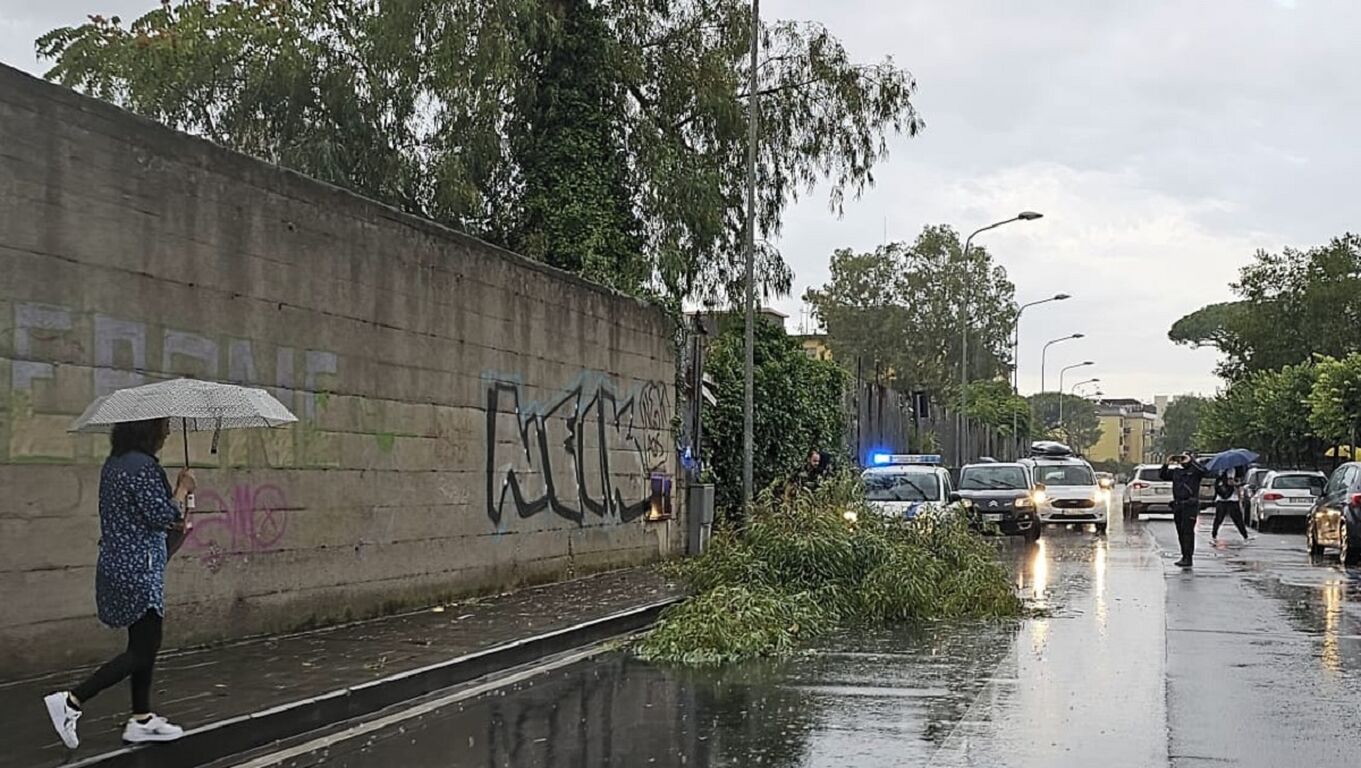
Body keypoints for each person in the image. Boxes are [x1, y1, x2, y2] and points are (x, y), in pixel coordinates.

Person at [44, 418, 194, 749]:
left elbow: (142, 513)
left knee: (144, 643)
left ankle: (141, 719)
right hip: (138, 568)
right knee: (143, 648)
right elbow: (159, 515)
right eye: (163, 427)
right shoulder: (141, 466)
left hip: (122, 565)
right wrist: (182, 490)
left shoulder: (116, 464)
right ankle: (71, 701)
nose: (168, 433)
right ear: (147, 429)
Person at [1160, 451, 1209, 568]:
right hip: (1178, 505)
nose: (1182, 460)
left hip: (1190, 505)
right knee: (1180, 532)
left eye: (1184, 458)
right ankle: (1184, 556)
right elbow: (1163, 475)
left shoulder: (1195, 471)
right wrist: (1167, 463)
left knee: (1188, 532)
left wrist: (1191, 460)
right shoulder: (1177, 472)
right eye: (1181, 458)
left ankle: (1188, 557)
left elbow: (1204, 472)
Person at [1213, 469, 1250, 541]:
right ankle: (1245, 535)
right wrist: (1237, 484)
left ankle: (1214, 534)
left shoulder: (1220, 471)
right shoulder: (1231, 470)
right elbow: (1230, 482)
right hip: (1232, 499)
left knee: (1218, 519)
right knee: (1238, 519)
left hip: (1221, 499)